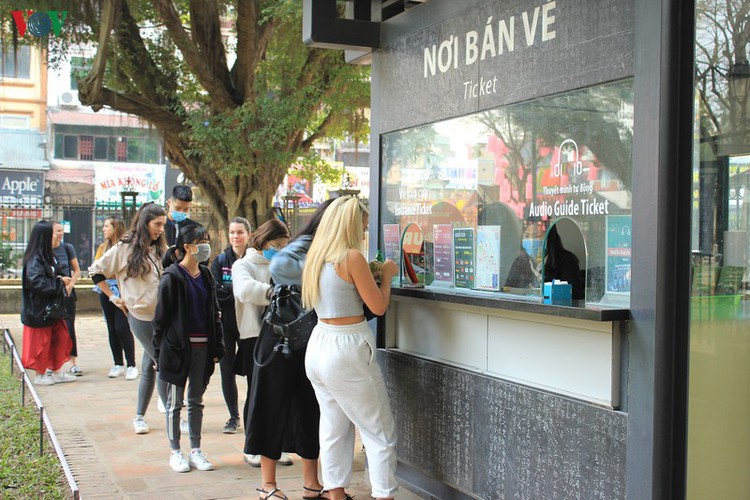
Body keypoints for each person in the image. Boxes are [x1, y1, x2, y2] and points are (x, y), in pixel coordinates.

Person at [301, 196, 399, 500]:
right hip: (347, 347)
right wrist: (388, 276)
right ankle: (384, 494)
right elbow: (378, 307)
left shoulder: (316, 256)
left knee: (333, 428)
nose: (365, 231)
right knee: (380, 433)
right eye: (364, 225)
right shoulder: (352, 257)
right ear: (351, 225)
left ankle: (336, 494)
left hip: (319, 344)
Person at [246, 200, 334, 500]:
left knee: (312, 408)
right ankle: (267, 485)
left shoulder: (332, 250)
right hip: (281, 337)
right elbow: (280, 266)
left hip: (312, 339)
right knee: (272, 407)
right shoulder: (301, 248)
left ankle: (312, 483)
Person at [89, 203, 169, 434]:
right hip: (139, 316)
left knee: (149, 365)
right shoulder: (125, 247)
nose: (161, 229)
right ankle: (174, 413)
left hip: (162, 316)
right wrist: (113, 297)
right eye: (157, 224)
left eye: (163, 225)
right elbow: (96, 271)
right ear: (145, 223)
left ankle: (139, 417)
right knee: (162, 361)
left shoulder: (158, 248)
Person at [153, 222, 225, 473]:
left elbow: (214, 313)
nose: (206, 245)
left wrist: (218, 346)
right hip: (177, 349)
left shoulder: (206, 275)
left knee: (196, 400)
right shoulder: (172, 277)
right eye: (201, 240)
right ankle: (175, 451)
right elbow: (160, 320)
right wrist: (158, 354)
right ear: (187, 247)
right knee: (175, 403)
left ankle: (196, 449)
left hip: (203, 348)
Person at [231, 219, 291, 469]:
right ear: (264, 241)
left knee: (279, 394)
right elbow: (245, 291)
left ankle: (275, 447)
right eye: (277, 245)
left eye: (283, 246)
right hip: (254, 337)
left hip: (281, 335)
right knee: (256, 394)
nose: (279, 250)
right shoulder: (242, 265)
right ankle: (253, 446)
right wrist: (276, 293)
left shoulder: (283, 265)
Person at [20, 220, 76, 385]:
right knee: (41, 344)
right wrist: (59, 283)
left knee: (58, 339)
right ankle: (40, 374)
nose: (59, 236)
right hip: (39, 310)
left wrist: (59, 279)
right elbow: (37, 283)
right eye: (54, 232)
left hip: (52, 309)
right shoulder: (35, 259)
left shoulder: (48, 256)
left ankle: (56, 371)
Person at [210, 216, 252, 434]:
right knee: (226, 370)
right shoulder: (220, 260)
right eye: (232, 232)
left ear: (248, 234)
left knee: (251, 371)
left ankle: (251, 415)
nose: (236, 236)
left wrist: (237, 291)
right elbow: (216, 291)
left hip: (249, 323)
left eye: (240, 232)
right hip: (225, 323)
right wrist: (239, 291)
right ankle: (233, 416)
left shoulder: (254, 259)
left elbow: (255, 291)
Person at [94, 215, 138, 380]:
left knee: (122, 327)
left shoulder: (125, 248)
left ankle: (132, 364)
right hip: (106, 290)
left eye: (107, 226)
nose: (104, 229)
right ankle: (118, 363)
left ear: (116, 228)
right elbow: (97, 270)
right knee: (111, 328)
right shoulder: (102, 248)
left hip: (122, 290)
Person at [52, 221, 82, 376]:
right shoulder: (45, 251)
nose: (60, 233)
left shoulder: (67, 248)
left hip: (68, 293)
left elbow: (76, 270)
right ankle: (54, 365)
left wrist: (71, 285)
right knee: (54, 329)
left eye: (61, 230)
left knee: (69, 327)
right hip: (52, 294)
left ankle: (73, 362)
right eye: (57, 230)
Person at [542, 224, 584, 299]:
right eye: (526, 236)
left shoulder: (567, 260)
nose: (531, 240)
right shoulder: (521, 262)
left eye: (538, 236)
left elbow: (575, 294)